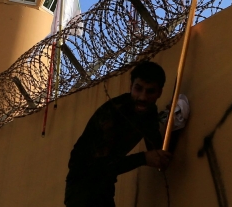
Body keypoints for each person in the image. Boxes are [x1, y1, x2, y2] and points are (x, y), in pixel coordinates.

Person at [64, 61, 179, 207]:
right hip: (82, 187)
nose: (143, 97)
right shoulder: (112, 113)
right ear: (131, 87)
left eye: (150, 91)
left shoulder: (149, 113)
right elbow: (100, 166)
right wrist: (143, 158)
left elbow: (156, 151)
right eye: (138, 89)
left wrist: (172, 123)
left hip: (105, 187)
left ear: (159, 93)